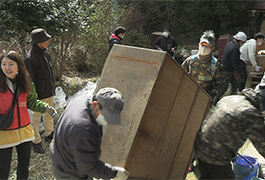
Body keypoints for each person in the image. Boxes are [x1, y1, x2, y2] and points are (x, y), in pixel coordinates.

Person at [50, 87, 130, 180]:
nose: (108, 121)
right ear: (95, 105)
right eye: (107, 116)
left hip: (65, 157)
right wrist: (113, 173)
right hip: (69, 172)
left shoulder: (81, 100)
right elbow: (87, 166)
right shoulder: (82, 129)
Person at [0, 51, 56, 180]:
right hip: (4, 133)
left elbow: (31, 102)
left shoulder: (26, 82)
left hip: (24, 132)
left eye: (11, 64)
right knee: (3, 170)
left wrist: (45, 107)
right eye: (3, 64)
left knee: (24, 167)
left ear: (19, 65)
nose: (7, 68)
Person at [194, 83, 265, 179]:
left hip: (200, 148)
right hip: (216, 157)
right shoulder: (251, 113)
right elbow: (263, 144)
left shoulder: (230, 99)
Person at [24, 28, 55, 154]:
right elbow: (29, 81)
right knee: (35, 120)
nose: (48, 40)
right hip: (38, 96)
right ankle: (35, 141)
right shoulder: (29, 59)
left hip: (48, 92)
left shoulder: (45, 53)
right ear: (38, 42)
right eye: (45, 39)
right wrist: (33, 97)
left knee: (49, 115)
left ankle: (49, 134)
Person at [181, 30, 224, 105]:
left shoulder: (215, 64)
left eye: (207, 46)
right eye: (202, 45)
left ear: (212, 49)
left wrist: (212, 95)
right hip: (188, 97)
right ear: (198, 45)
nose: (204, 48)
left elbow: (220, 83)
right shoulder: (190, 61)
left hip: (204, 101)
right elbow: (180, 75)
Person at [220, 31, 247, 96]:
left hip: (227, 68)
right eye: (243, 42)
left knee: (235, 85)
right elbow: (235, 62)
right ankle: (214, 101)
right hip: (228, 70)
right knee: (224, 88)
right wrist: (240, 73)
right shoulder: (235, 48)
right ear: (240, 41)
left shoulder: (229, 44)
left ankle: (231, 98)